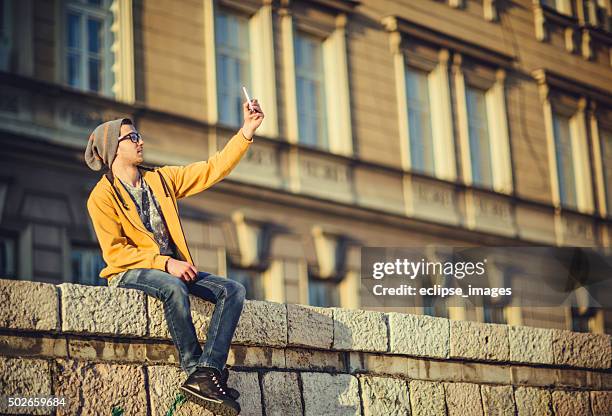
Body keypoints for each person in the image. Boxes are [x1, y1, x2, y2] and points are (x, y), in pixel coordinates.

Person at [85, 99, 264, 416]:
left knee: (233, 290)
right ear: (113, 147)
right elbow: (116, 252)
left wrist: (246, 132)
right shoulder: (101, 196)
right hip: (130, 272)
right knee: (172, 286)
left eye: (138, 135)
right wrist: (165, 263)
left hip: (172, 269)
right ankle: (193, 367)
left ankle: (206, 373)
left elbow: (211, 169)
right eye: (132, 137)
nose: (140, 141)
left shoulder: (159, 180)